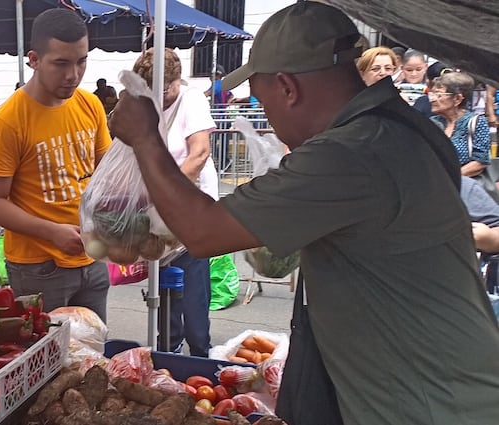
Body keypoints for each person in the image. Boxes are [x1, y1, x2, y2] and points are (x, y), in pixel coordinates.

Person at [109, 2, 499, 424]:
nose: (269, 121)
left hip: (426, 403)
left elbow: (203, 232)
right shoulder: (402, 127)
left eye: (262, 101)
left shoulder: (350, 151)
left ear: (288, 88)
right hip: (444, 380)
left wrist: (146, 138)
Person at [0, 8, 112, 321]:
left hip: (92, 258)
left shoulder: (90, 104)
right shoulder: (6, 123)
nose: (73, 74)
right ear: (34, 60)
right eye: (61, 63)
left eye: (81, 61)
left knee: (93, 356)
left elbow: (106, 173)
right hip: (38, 267)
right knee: (46, 363)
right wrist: (52, 232)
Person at [132, 48, 217, 356]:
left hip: (190, 212)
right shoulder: (148, 103)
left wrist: (166, 194)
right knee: (165, 289)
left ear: (176, 81)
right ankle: (167, 352)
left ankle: (200, 354)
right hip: (158, 214)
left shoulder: (191, 100)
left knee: (193, 290)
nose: (158, 96)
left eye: (163, 90)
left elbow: (199, 153)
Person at [429, 72, 491, 178]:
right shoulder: (432, 122)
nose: (432, 99)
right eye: (432, 94)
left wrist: (450, 178)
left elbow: (480, 162)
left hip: (464, 185)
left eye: (439, 95)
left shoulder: (476, 122)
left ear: (457, 99)